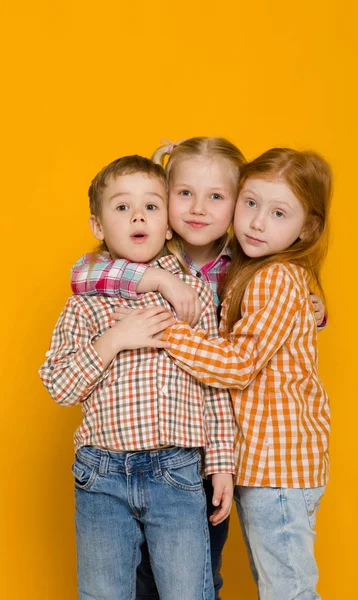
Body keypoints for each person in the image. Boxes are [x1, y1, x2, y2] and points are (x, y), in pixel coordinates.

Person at [71, 138, 327, 599]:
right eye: (183, 194)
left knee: (197, 573)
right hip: (144, 444)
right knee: (143, 572)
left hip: (215, 447)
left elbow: (256, 338)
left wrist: (313, 307)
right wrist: (157, 279)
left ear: (233, 205)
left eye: (217, 197)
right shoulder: (153, 254)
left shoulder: (245, 263)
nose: (198, 209)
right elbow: (83, 274)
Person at [39, 154, 236, 600]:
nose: (137, 216)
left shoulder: (194, 295)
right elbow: (58, 385)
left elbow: (215, 382)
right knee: (103, 592)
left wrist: (222, 461)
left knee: (189, 591)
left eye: (151, 205)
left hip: (177, 471)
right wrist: (113, 340)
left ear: (168, 224)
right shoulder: (84, 301)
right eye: (122, 207)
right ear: (97, 225)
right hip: (101, 473)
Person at [154, 147, 332, 600]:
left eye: (277, 213)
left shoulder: (274, 278)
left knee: (288, 591)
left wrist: (166, 332)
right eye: (250, 203)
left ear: (307, 228)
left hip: (278, 467)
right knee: (278, 584)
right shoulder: (252, 269)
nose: (256, 221)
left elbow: (238, 364)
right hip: (267, 466)